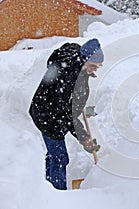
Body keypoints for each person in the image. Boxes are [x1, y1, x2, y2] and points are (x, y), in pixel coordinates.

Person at [29, 39, 103, 190]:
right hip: (47, 115)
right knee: (60, 157)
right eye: (93, 66)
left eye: (98, 66)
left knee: (53, 155)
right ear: (84, 60)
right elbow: (67, 114)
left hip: (46, 107)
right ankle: (58, 195)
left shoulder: (77, 57)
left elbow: (68, 47)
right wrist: (84, 138)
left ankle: (47, 188)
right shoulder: (69, 77)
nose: (95, 70)